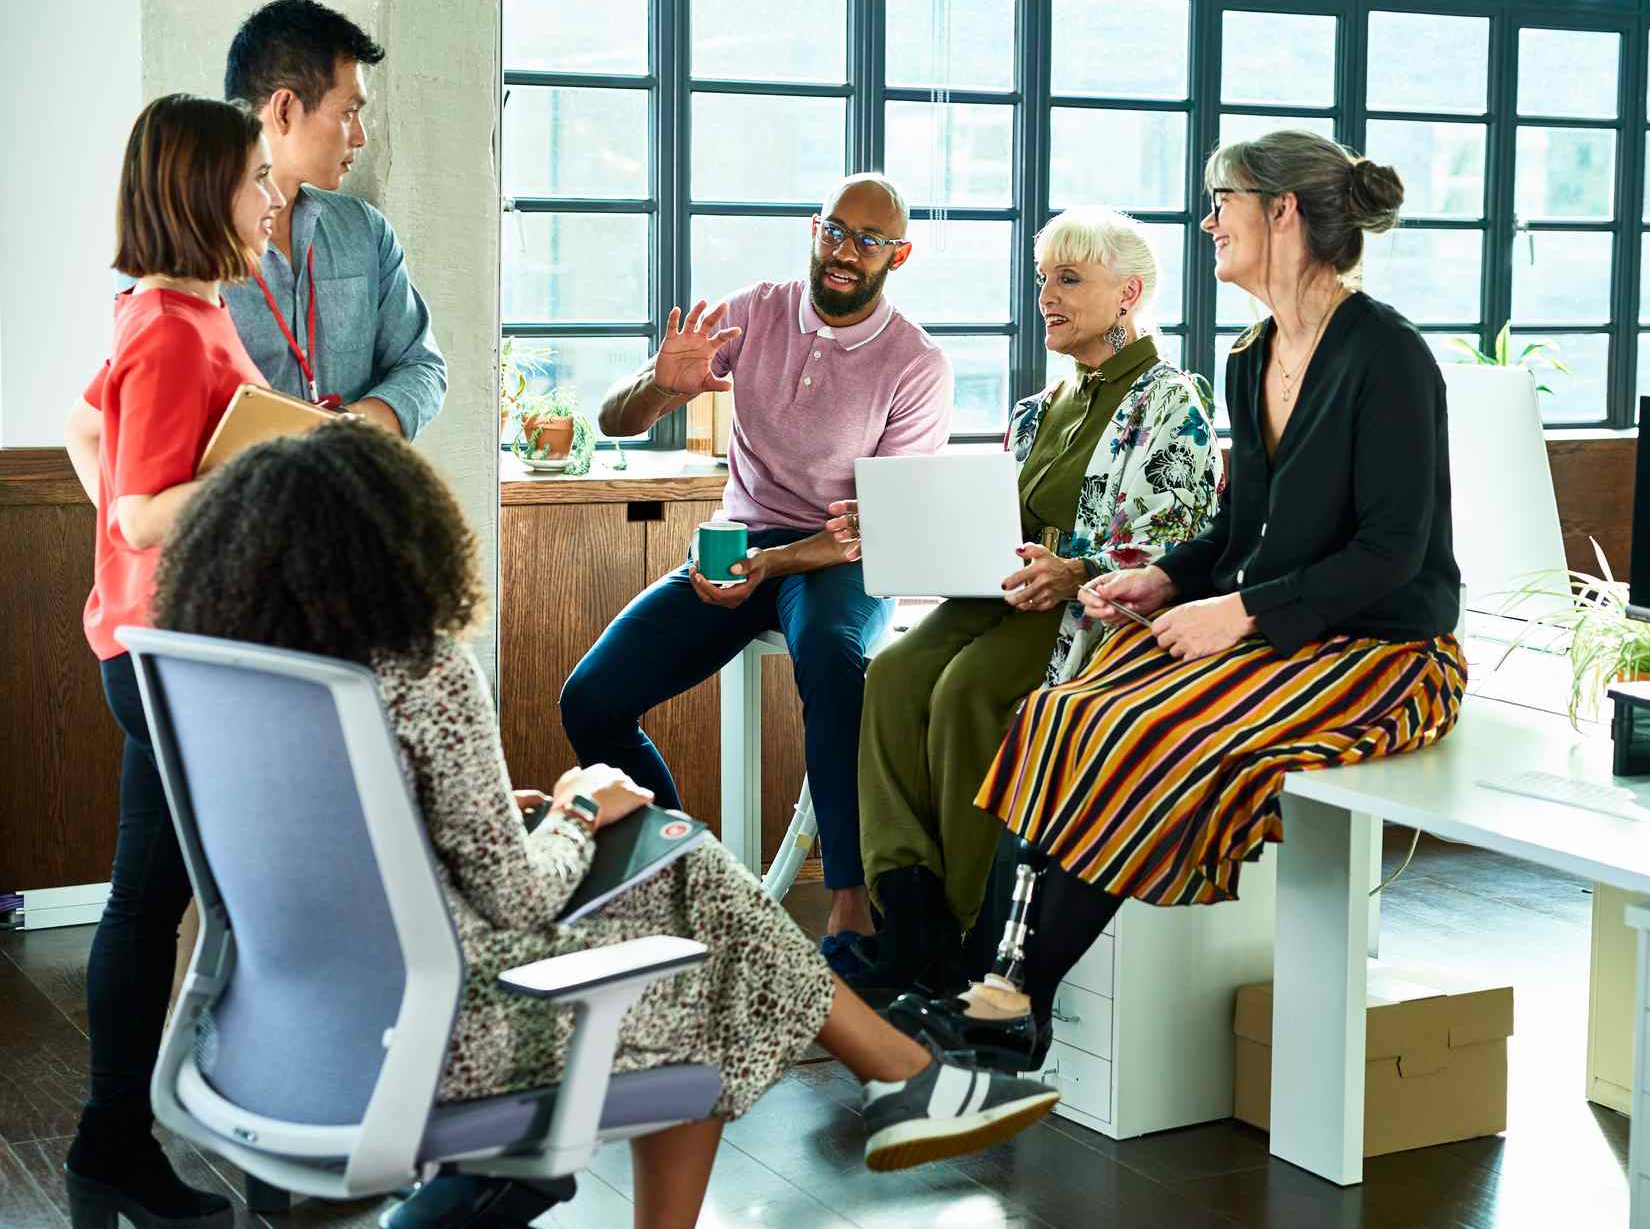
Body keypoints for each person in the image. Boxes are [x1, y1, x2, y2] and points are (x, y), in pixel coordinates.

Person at [149, 423, 1060, 1229]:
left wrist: (498, 814)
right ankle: (906, 1077)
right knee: (697, 953)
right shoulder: (423, 672)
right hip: (449, 1030)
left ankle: (904, 1078)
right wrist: (580, 809)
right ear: (396, 542)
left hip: (278, 1030)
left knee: (678, 861)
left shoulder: (238, 678)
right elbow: (515, 895)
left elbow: (348, 836)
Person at [891, 130, 1469, 1070]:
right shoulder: (1252, 358)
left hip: (1384, 655)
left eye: (1221, 200)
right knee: (1057, 713)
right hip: (1284, 636)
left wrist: (1237, 612)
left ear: (1281, 211)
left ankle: (1008, 1000)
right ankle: (991, 990)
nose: (1206, 221)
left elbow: (1391, 556)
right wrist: (1168, 577)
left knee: (1133, 728)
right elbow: (1245, 531)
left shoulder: (1388, 357)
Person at [826, 207, 1220, 1000]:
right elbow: (994, 520)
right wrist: (904, 530)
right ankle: (908, 917)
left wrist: (1077, 572)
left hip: (1084, 610)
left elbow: (1184, 536)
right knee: (894, 672)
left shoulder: (1170, 400)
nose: (1046, 295)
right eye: (1043, 279)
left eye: (1069, 280)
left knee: (965, 690)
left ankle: (973, 933)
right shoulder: (1039, 407)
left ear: (1128, 295)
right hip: (999, 593)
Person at [561, 173, 951, 968]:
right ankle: (682, 878)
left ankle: (851, 904)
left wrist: (769, 564)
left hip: (836, 557)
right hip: (738, 539)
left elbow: (878, 529)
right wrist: (660, 387)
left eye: (868, 241)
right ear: (814, 230)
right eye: (834, 231)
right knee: (591, 700)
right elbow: (614, 420)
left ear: (898, 256)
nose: (844, 252)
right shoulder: (752, 311)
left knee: (836, 666)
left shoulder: (915, 363)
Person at [60, 93, 286, 1229]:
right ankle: (150, 1144)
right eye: (255, 177)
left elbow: (87, 434)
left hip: (159, 646)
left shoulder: (165, 310)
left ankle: (131, 1145)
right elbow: (148, 512)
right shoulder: (165, 324)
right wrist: (282, 462)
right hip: (170, 655)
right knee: (179, 898)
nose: (270, 195)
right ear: (203, 190)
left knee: (157, 898)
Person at [69, 0, 448, 452]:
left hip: (354, 509)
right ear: (285, 108)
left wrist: (350, 429)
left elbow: (422, 366)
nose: (361, 135)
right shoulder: (176, 261)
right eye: (348, 112)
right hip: (242, 516)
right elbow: (105, 435)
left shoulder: (366, 232)